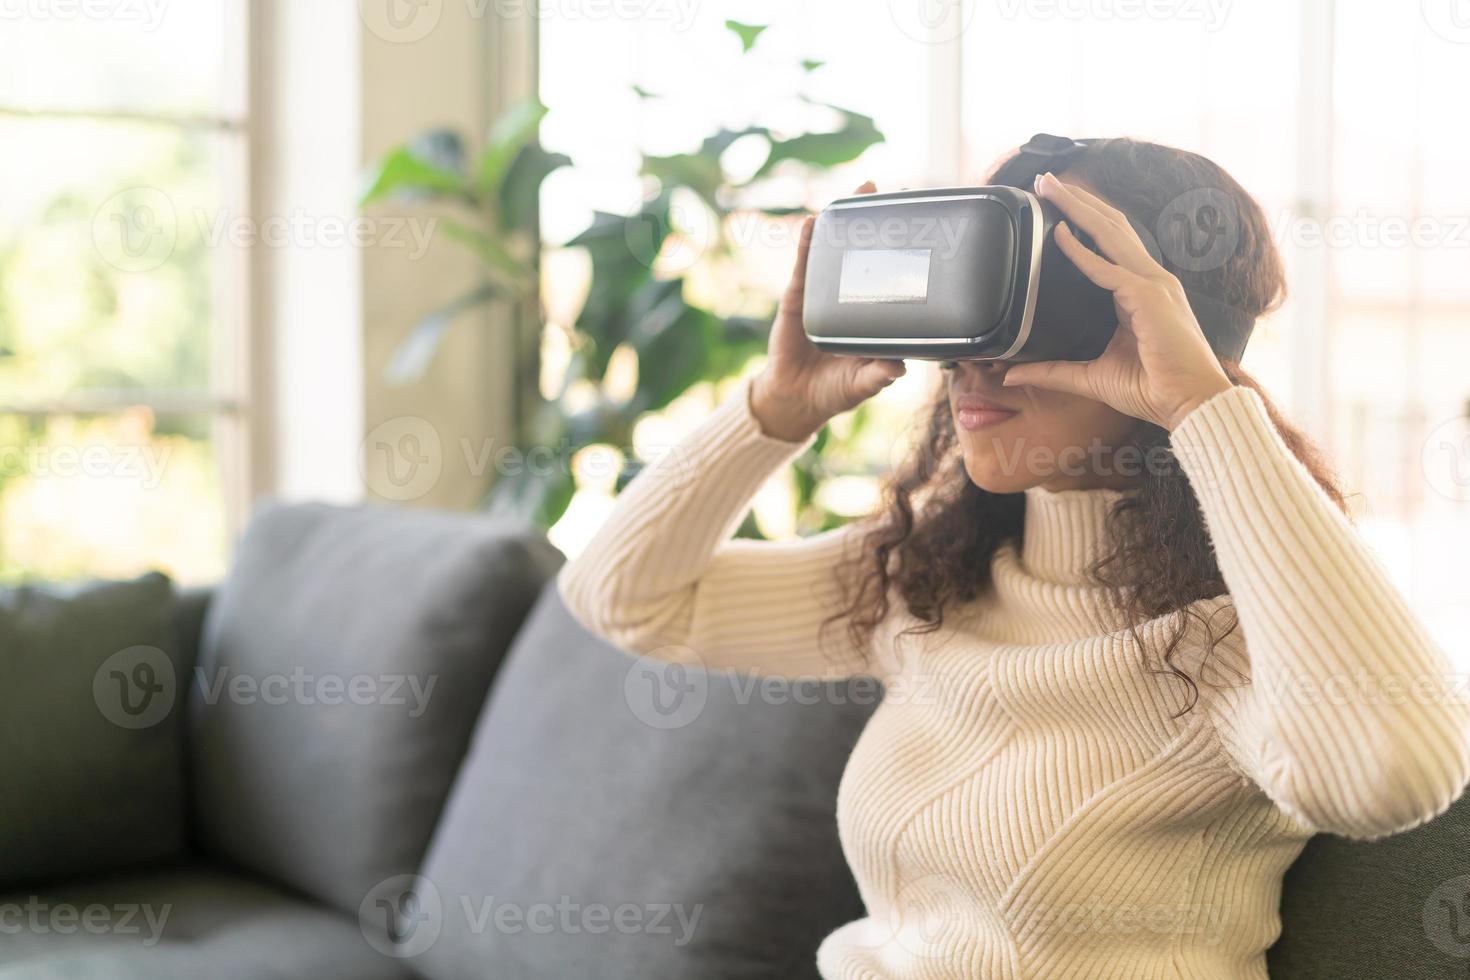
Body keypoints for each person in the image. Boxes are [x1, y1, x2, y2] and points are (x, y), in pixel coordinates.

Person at [557, 136, 1470, 979]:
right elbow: (626, 598)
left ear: (1163, 332)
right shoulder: (927, 585)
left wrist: (1204, 409)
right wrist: (776, 407)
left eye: (1043, 310)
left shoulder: (1230, 644)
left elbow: (1392, 773)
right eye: (978, 308)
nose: (977, 365)